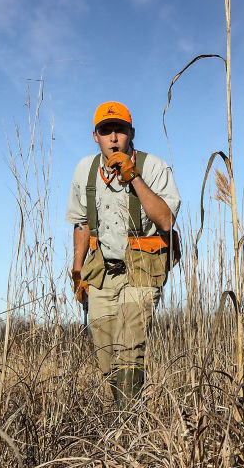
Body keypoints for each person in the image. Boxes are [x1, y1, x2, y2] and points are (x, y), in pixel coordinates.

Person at [66, 101, 181, 408]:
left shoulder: (154, 167)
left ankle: (129, 429)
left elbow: (166, 221)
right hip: (101, 271)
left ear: (132, 133)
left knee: (129, 347)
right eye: (106, 131)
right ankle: (117, 420)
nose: (113, 138)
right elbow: (81, 223)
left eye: (120, 130)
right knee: (105, 354)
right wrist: (78, 270)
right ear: (95, 136)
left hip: (142, 269)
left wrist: (134, 178)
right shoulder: (85, 170)